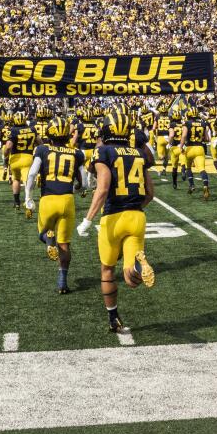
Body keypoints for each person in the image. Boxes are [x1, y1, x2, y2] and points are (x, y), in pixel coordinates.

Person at [77, 105, 155, 334]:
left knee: (107, 269)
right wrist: (134, 208)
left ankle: (114, 319)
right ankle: (139, 264)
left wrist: (88, 220)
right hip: (137, 216)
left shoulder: (104, 153)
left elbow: (102, 189)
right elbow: (150, 193)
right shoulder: (139, 154)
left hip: (112, 218)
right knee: (130, 275)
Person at [24, 116, 85, 294]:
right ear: (67, 134)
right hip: (67, 200)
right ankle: (62, 281)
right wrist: (74, 188)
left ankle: (48, 239)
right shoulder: (76, 153)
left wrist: (28, 197)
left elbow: (32, 174)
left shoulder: (42, 149)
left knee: (42, 233)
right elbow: (85, 183)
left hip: (48, 199)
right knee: (64, 244)